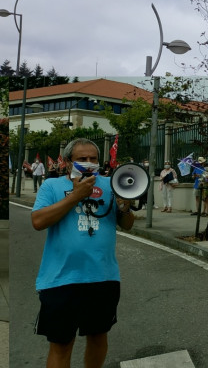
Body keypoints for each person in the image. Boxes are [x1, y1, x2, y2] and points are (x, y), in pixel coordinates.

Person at [30, 138, 135, 368]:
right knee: (61, 344)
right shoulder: (52, 186)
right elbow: (38, 221)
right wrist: (75, 196)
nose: (88, 163)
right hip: (60, 279)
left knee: (98, 338)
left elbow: (127, 224)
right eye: (82, 159)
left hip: (102, 276)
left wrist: (125, 207)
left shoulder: (111, 184)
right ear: (68, 163)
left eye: (93, 159)